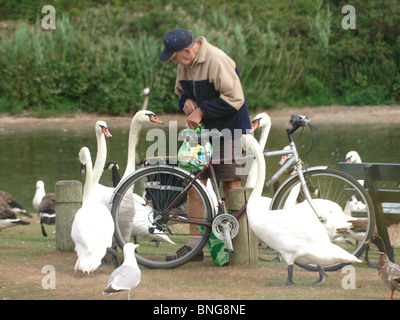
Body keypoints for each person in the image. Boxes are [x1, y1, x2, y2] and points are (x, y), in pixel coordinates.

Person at [158, 28, 251, 261]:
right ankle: (194, 248)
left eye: (174, 57)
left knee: (231, 185)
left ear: (187, 51)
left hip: (231, 129)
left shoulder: (217, 60)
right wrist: (186, 102)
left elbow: (235, 99)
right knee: (194, 185)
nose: (173, 62)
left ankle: (237, 246)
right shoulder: (184, 64)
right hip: (202, 131)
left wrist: (201, 110)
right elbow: (181, 92)